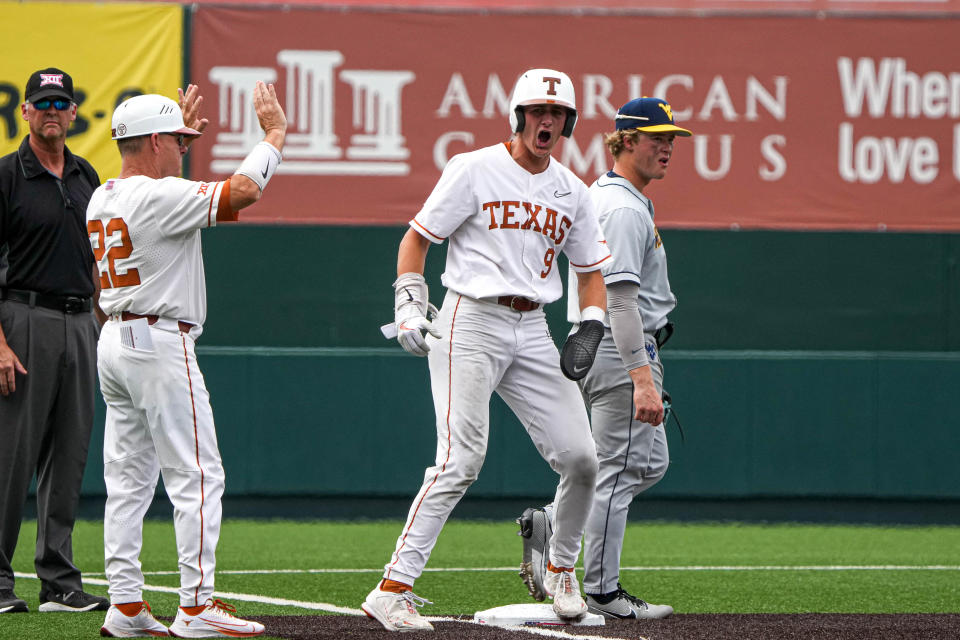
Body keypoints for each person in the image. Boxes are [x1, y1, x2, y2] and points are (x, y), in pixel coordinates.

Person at [361, 68, 611, 632]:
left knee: (582, 458)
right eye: (536, 112)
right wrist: (408, 303)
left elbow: (592, 270)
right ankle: (392, 588)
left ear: (568, 123)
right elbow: (417, 239)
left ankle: (562, 569)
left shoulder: (572, 189)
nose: (545, 121)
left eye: (556, 114)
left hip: (533, 326)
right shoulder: (474, 168)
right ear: (518, 116)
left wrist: (591, 323)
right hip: (470, 318)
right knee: (461, 461)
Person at [88, 82, 286, 638]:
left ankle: (125, 605)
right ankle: (197, 606)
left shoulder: (101, 196)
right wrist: (273, 136)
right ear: (154, 141)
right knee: (198, 475)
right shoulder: (157, 198)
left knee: (127, 481)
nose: (184, 145)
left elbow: (169, 187)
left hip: (115, 342)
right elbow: (243, 190)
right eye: (177, 139)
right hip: (159, 343)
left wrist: (176, 141)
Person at [517, 97, 691, 620]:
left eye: (671, 139)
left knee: (646, 463)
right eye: (656, 137)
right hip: (619, 347)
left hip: (611, 346)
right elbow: (619, 299)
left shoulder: (619, 198)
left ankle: (554, 521)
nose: (667, 147)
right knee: (617, 470)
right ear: (624, 141)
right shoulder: (619, 206)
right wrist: (642, 377)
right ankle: (600, 591)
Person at [0, 67, 110, 615]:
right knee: (10, 459)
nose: (51, 111)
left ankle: (59, 582)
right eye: (41, 102)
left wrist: (101, 327)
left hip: (79, 323)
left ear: (72, 112)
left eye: (59, 102)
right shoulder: (6, 176)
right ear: (24, 112)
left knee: (69, 457)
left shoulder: (86, 175)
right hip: (22, 318)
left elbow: (96, 263)